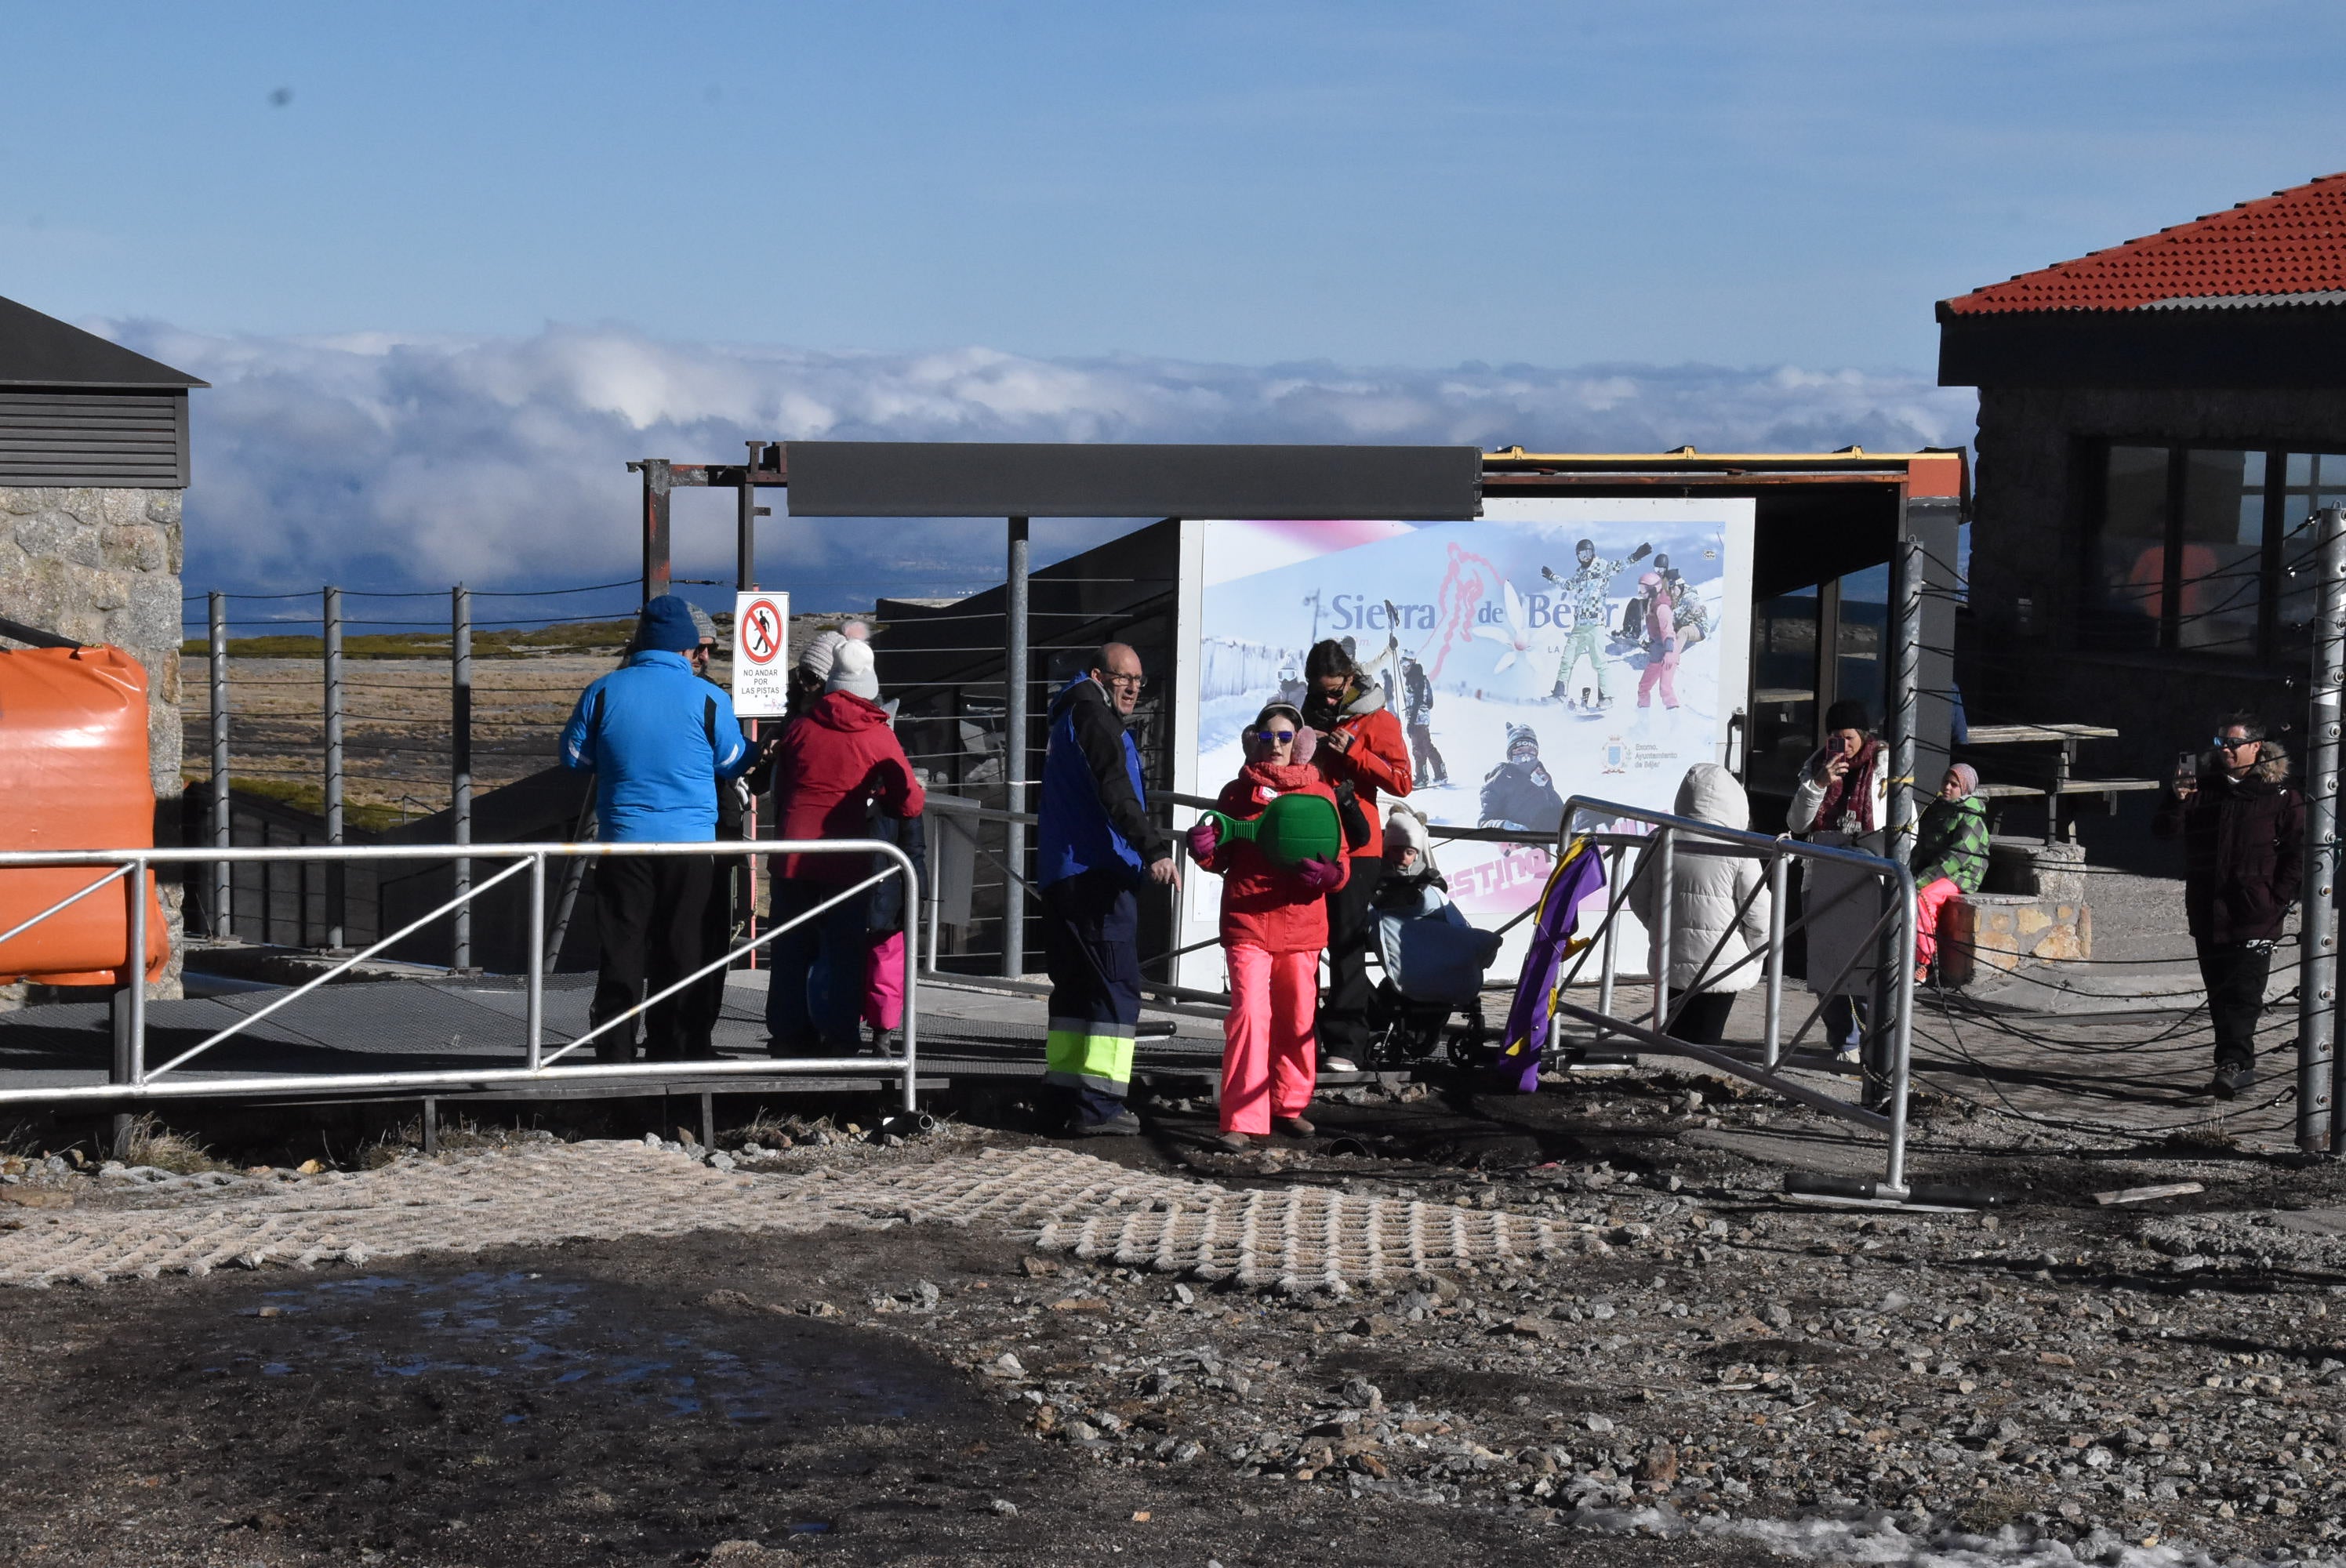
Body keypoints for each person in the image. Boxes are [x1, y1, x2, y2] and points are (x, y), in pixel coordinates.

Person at [559, 594, 751, 1062]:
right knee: (681, 948)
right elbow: (732, 761)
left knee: (621, 948)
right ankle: (674, 1045)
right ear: (687, 648)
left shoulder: (603, 691)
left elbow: (574, 758)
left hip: (622, 843)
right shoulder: (708, 697)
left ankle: (614, 1049)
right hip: (689, 846)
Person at [1186, 702, 1348, 1152]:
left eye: (1284, 737)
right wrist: (1201, 848)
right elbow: (1218, 857)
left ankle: (1288, 1105)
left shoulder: (1322, 794)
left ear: (1301, 744)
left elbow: (1342, 858)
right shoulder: (1236, 793)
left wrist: (1333, 876)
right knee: (1249, 1017)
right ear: (1252, 739)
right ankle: (1241, 1117)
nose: (1275, 745)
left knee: (1298, 1019)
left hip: (1302, 926)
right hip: (1249, 923)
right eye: (1266, 736)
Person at [1037, 642, 1177, 1136]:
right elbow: (1116, 790)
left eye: (1140, 680)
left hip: (1065, 874)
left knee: (1075, 990)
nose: (1135, 688)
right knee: (1114, 989)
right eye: (1125, 678)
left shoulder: (1068, 716)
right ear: (1100, 675)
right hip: (1098, 873)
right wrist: (1155, 848)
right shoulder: (1096, 720)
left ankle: (1063, 1096)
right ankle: (1100, 1105)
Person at [764, 637, 925, 1056]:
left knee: (789, 948)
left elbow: (781, 788)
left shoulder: (801, 727)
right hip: (846, 856)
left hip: (792, 853)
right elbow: (909, 801)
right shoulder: (877, 735)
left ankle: (787, 1037)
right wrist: (879, 799)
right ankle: (840, 1039)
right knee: (844, 952)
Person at [2152, 713, 2303, 1099]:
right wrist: (2177, 797)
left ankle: (2234, 1064)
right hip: (2208, 909)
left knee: (2245, 992)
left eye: (2234, 744)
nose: (2226, 752)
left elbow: (2298, 852)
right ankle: (2234, 1064)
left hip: (2255, 913)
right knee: (2219, 993)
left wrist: (2277, 899)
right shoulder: (2202, 787)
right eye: (2221, 744)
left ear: (2257, 747)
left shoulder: (2280, 795)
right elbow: (2165, 832)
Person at [1302, 638, 1414, 1075]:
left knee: (1346, 945)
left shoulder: (1377, 718)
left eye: (1334, 690)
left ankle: (1348, 1045)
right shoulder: (1304, 714)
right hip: (1308, 839)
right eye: (1320, 691)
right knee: (1305, 944)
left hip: (1358, 845)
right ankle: (1302, 1037)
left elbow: (1403, 782)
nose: (1328, 698)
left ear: (1350, 678)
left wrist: (1355, 752)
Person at [1627, 764, 1769, 1046]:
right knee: (1706, 1042)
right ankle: (1694, 1086)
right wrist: (1755, 953)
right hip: (1724, 964)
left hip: (1670, 957)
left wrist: (1658, 928)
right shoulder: (1738, 846)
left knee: (1672, 1037)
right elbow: (1760, 914)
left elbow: (1637, 898)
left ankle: (1671, 1083)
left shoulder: (1659, 838)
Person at [1789, 700, 1890, 1063]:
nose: (1843, 747)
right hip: (1821, 875)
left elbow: (1904, 823)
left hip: (1868, 876)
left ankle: (1874, 1041)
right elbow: (1798, 824)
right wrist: (1818, 785)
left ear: (1863, 736)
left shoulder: (1886, 767)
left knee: (1867, 965)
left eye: (1848, 738)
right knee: (1825, 965)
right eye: (1835, 738)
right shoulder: (1816, 767)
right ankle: (1844, 1043)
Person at [1545, 539, 1651, 707]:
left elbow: (1620, 565)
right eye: (1581, 554)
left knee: (1599, 661)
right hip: (1579, 626)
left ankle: (1606, 698)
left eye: (1588, 553)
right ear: (1578, 556)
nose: (1585, 557)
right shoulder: (1579, 573)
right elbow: (1569, 585)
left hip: (1596, 624)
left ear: (1593, 552)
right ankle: (1558, 694)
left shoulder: (1602, 567)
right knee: (1567, 660)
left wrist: (1637, 556)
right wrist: (1552, 577)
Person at [1911, 763, 1990, 982]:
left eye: (1954, 785)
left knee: (1923, 898)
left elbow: (1956, 859)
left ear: (1964, 789)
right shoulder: (1937, 810)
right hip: (1935, 869)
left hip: (1962, 874)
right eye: (1945, 781)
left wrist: (1920, 880)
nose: (1947, 787)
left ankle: (1924, 961)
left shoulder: (1971, 817)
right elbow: (1921, 846)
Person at [1478, 723, 1565, 835]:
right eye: (1519, 751)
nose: (1526, 756)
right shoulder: (1499, 779)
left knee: (1585, 811)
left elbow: (1559, 809)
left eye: (1530, 750)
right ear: (1510, 754)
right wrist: (1505, 826)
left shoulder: (1541, 775)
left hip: (1554, 837)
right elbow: (1484, 823)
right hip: (1525, 841)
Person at [1634, 569, 1680, 716]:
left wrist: (1668, 652)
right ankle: (1642, 723)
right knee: (1644, 687)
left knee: (1665, 689)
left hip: (1668, 652)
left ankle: (1675, 726)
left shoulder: (1662, 607)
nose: (1641, 592)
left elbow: (1668, 632)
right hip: (1657, 653)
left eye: (1644, 589)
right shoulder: (1651, 603)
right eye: (1640, 589)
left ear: (1654, 589)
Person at [1400, 654, 1447, 787]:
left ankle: (1424, 776)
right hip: (1422, 718)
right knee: (1425, 746)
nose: (1404, 668)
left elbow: (1418, 700)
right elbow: (1429, 702)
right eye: (1402, 665)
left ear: (1413, 663)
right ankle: (1435, 774)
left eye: (1407, 665)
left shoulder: (1416, 678)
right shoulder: (1418, 677)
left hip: (1418, 719)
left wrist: (1411, 721)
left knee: (1420, 748)